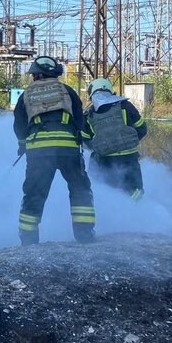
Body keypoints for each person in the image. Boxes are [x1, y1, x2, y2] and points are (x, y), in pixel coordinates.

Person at [13, 56, 95, 245]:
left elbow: (19, 124)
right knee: (80, 188)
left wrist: (22, 144)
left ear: (36, 75)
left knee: (34, 193)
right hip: (68, 150)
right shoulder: (67, 91)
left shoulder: (26, 94)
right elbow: (80, 120)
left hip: (39, 152)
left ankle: (28, 241)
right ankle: (85, 236)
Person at [81, 78, 147, 201]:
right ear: (110, 90)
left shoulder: (88, 113)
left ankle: (113, 214)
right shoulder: (125, 105)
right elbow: (142, 128)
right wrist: (129, 142)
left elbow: (86, 139)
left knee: (105, 191)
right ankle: (136, 213)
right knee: (135, 191)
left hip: (104, 160)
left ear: (92, 93)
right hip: (129, 158)